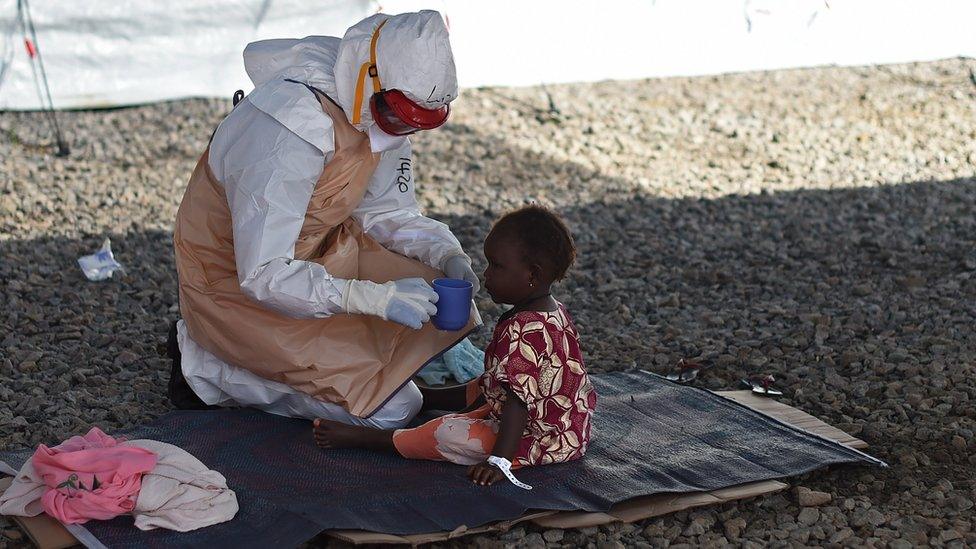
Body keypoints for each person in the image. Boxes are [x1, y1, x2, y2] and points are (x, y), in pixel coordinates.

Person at [168, 10, 481, 430]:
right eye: (398, 118)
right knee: (394, 410)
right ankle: (205, 367)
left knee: (433, 282)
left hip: (317, 254)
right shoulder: (288, 128)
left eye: (414, 125)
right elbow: (263, 273)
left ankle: (339, 365)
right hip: (235, 286)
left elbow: (388, 213)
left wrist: (448, 254)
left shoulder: (378, 109)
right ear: (369, 81)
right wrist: (374, 299)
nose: (401, 132)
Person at [313, 206, 597, 487]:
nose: (486, 274)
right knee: (489, 383)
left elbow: (518, 403)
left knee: (448, 432)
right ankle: (428, 398)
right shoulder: (553, 311)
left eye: (496, 266)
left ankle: (368, 438)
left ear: (531, 275)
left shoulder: (522, 329)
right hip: (571, 427)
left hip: (541, 438)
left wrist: (499, 462)